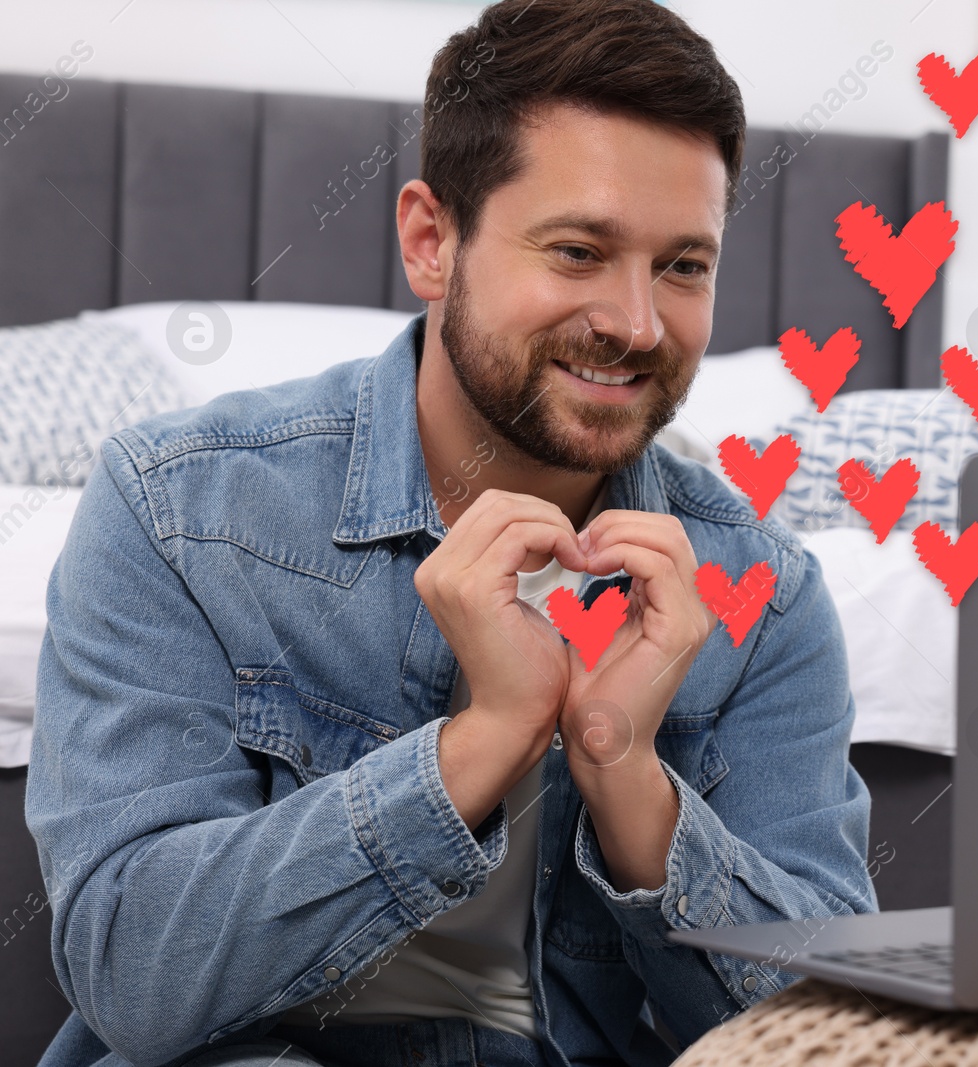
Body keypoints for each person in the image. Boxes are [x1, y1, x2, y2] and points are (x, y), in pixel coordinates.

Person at [24, 2, 876, 1064]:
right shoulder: (177, 509)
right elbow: (135, 974)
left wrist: (625, 774)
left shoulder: (765, 591)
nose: (637, 322)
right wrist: (477, 746)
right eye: (577, 250)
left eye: (683, 265)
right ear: (432, 241)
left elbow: (833, 1037)